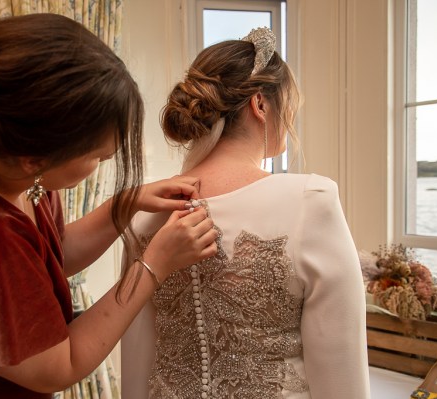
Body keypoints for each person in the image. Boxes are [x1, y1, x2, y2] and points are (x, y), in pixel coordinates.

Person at [0, 13, 218, 399]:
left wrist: (124, 204)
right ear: (36, 158)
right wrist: (154, 265)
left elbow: (47, 258)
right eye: (98, 158)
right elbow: (58, 367)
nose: (105, 160)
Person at [121, 27, 370, 398]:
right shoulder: (311, 200)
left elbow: (135, 360)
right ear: (260, 104)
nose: (292, 118)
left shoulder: (143, 214)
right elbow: (340, 370)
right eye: (291, 106)